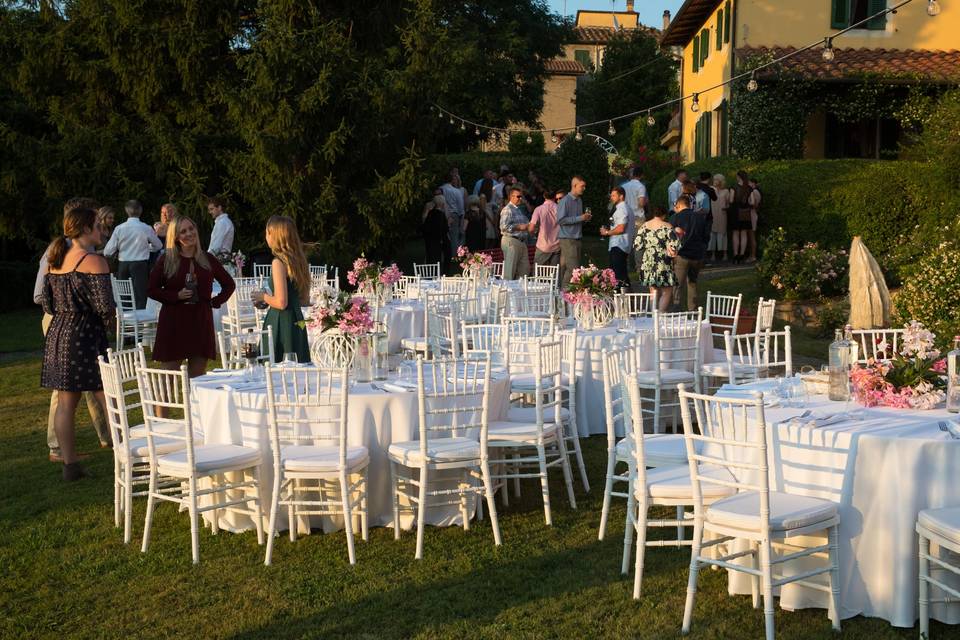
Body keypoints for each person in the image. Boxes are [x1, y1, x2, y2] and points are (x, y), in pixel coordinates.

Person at [40, 206, 115, 481]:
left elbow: (47, 301)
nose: (102, 230)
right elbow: (106, 306)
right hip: (85, 335)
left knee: (65, 403)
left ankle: (70, 466)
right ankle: (126, 456)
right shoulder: (94, 261)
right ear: (85, 229)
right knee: (108, 397)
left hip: (59, 333)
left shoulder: (54, 259)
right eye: (98, 225)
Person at [148, 216, 235, 378]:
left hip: (200, 322)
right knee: (166, 382)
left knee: (198, 382)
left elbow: (229, 285)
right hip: (174, 322)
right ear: (175, 237)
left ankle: (194, 404)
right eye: (183, 231)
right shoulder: (167, 259)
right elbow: (151, 289)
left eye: (191, 228)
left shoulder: (207, 259)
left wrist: (214, 302)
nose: (189, 233)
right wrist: (176, 295)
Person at [251, 216, 311, 364]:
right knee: (297, 369)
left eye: (267, 232)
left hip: (280, 322)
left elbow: (281, 302)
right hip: (298, 321)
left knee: (276, 369)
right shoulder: (300, 262)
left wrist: (263, 297)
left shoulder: (278, 262)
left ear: (273, 235)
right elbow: (304, 300)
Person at [102, 199, 163, 309]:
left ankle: (127, 320)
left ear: (126, 211)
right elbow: (158, 245)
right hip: (140, 266)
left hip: (123, 266)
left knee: (125, 298)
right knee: (140, 297)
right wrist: (148, 248)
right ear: (140, 211)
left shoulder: (119, 228)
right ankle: (140, 323)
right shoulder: (146, 228)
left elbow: (107, 251)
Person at [669, 194, 710, 311]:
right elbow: (706, 237)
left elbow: (670, 235)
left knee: (678, 284)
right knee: (692, 283)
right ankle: (693, 310)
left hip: (681, 255)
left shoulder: (675, 218)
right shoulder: (700, 218)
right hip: (697, 255)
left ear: (679, 205)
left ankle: (676, 309)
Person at [635, 206, 679, 312]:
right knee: (667, 291)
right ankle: (660, 314)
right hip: (663, 262)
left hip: (648, 262)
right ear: (664, 215)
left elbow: (638, 245)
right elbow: (674, 246)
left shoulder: (644, 226)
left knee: (653, 291)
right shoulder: (667, 226)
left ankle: (653, 316)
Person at [556, 176, 592, 288]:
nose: (584, 188)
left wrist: (585, 219)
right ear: (574, 186)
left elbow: (577, 219)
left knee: (569, 267)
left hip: (577, 239)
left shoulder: (579, 201)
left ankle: (562, 294)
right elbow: (561, 220)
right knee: (573, 269)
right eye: (582, 186)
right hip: (567, 239)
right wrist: (580, 218)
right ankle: (565, 293)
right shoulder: (565, 201)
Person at [600, 186, 631, 290]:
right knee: (621, 273)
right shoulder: (624, 208)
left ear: (621, 196)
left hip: (619, 244)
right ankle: (628, 297)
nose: (611, 198)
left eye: (614, 195)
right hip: (621, 244)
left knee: (618, 275)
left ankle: (621, 298)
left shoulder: (622, 208)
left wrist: (607, 232)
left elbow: (621, 228)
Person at [499, 187, 532, 280]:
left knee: (524, 271)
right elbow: (503, 227)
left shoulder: (518, 210)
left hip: (521, 242)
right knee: (509, 272)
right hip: (511, 241)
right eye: (518, 196)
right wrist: (519, 227)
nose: (520, 198)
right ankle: (506, 292)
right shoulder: (507, 209)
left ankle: (519, 292)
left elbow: (526, 225)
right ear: (511, 197)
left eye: (521, 196)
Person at [529, 188, 562, 268]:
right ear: (555, 197)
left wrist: (534, 234)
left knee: (538, 273)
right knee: (554, 274)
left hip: (542, 245)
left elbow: (531, 228)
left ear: (544, 196)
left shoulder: (539, 209)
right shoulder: (560, 209)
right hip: (557, 245)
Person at [421, 193, 450, 273]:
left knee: (432, 257)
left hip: (431, 239)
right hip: (439, 239)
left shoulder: (430, 213)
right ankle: (443, 272)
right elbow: (444, 229)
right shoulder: (441, 215)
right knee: (444, 255)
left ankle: (431, 272)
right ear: (442, 203)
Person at [439, 169, 467, 252]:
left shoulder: (440, 189)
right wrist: (461, 217)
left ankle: (444, 254)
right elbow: (461, 207)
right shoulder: (456, 191)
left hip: (441, 214)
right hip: (454, 215)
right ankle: (454, 256)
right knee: (454, 236)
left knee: (443, 236)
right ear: (451, 180)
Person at [729, 171, 753, 264]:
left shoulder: (733, 187)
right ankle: (742, 254)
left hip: (735, 211)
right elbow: (752, 201)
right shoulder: (749, 188)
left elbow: (731, 200)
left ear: (738, 177)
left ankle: (735, 254)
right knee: (744, 233)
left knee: (735, 233)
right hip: (745, 212)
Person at [709, 174, 732, 262]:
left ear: (721, 181)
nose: (714, 181)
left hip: (722, 214)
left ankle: (725, 254)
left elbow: (729, 202)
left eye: (716, 180)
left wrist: (726, 207)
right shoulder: (711, 189)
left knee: (722, 234)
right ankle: (713, 254)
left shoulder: (726, 191)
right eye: (714, 180)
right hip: (713, 214)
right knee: (712, 234)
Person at [478, 178, 500, 249]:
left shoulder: (490, 195)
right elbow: (483, 210)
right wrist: (491, 220)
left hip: (491, 216)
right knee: (488, 238)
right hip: (487, 219)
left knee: (493, 238)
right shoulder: (483, 196)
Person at [747, 177, 762, 262]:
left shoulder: (754, 192)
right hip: (752, 214)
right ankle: (751, 254)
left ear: (753, 183)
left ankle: (753, 255)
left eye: (749, 183)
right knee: (751, 235)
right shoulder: (755, 191)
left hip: (752, 214)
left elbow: (754, 204)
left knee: (752, 236)